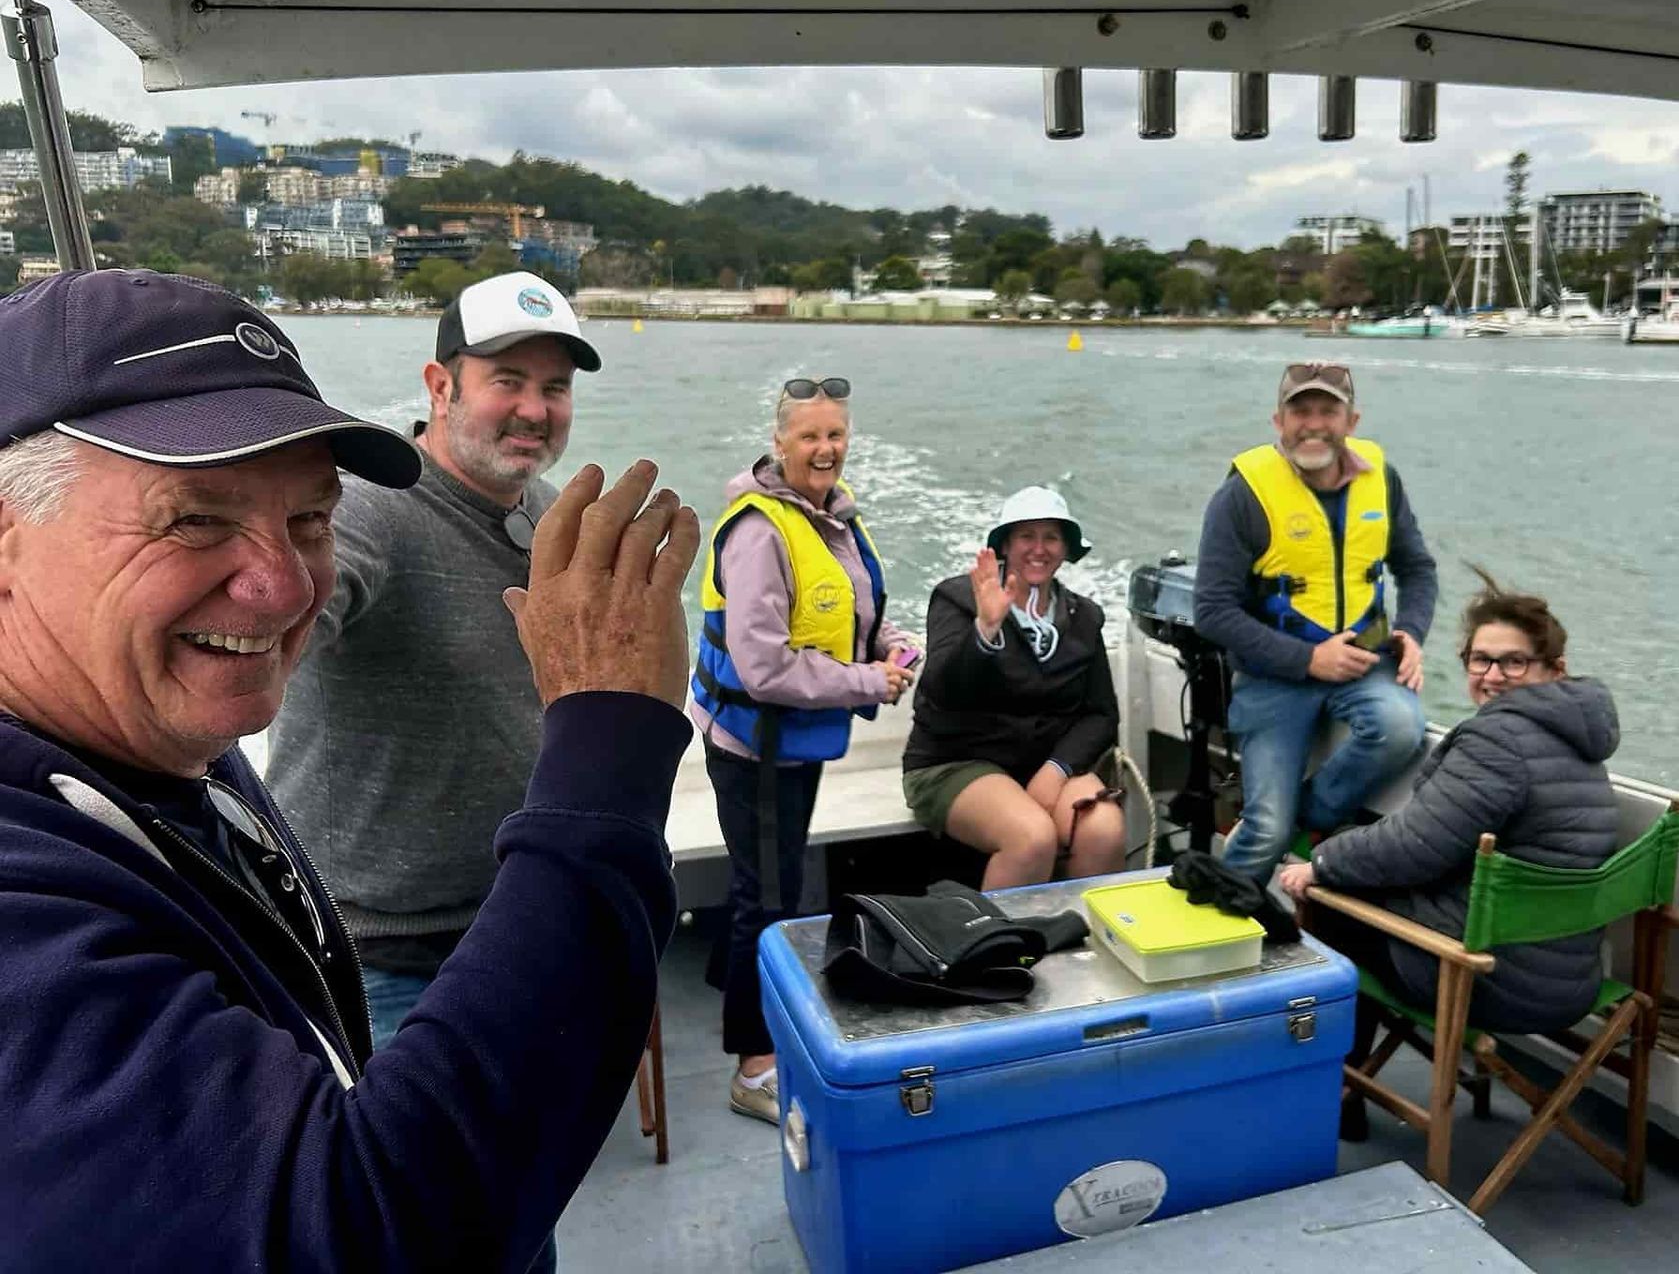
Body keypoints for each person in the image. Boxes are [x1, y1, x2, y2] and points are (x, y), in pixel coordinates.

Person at [0, 269, 695, 1270]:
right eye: (194, 517)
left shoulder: (149, 744)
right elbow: (378, 1235)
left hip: (471, 945)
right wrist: (610, 729)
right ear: (442, 385)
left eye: (309, 521)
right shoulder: (25, 905)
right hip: (401, 958)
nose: (279, 584)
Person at [271, 270, 600, 1051]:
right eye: (508, 381)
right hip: (381, 947)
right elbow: (293, 611)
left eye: (554, 388)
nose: (534, 409)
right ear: (441, 385)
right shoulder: (368, 511)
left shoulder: (548, 511)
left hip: (518, 917)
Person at [1279, 572, 1619, 1100]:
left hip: (1492, 979)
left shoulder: (1498, 741)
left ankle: (1337, 1091)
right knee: (1359, 850)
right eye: (1480, 660)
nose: (1493, 675)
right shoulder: (1580, 738)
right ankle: (1352, 1081)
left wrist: (1319, 864)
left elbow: (1415, 846)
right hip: (1569, 973)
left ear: (1554, 670)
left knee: (1331, 901)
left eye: (1514, 662)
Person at [689, 375, 919, 1124]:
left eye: (837, 435)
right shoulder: (759, 533)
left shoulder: (835, 519)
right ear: (779, 442)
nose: (826, 449)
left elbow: (854, 611)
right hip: (755, 748)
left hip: (798, 743)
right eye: (811, 436)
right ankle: (752, 1065)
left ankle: (739, 983)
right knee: (770, 898)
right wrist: (867, 682)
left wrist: (892, 646)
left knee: (776, 880)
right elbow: (763, 668)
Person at [1192, 361, 1437, 886]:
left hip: (1363, 662)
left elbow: (1417, 569)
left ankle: (1311, 818)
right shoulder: (1241, 497)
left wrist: (1412, 631)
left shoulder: (1382, 480)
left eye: (1329, 410)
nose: (1314, 423)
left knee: (1400, 728)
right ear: (1277, 421)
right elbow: (1211, 611)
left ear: (1352, 420)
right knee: (1263, 830)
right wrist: (1308, 660)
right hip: (1272, 673)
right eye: (1300, 411)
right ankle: (1219, 930)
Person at [902, 487, 1125, 890]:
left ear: (1066, 548)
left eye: (1051, 537)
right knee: (1031, 836)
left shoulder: (1085, 618)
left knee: (1104, 828)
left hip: (1046, 762)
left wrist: (1056, 770)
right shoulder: (957, 598)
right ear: (1005, 544)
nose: (1038, 549)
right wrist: (985, 630)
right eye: (1026, 536)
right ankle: (1001, 950)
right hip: (956, 761)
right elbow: (940, 690)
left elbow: (1100, 714)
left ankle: (1081, 944)